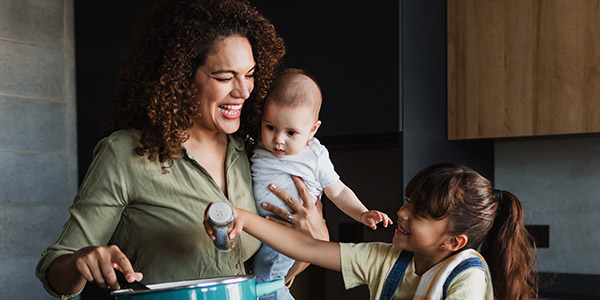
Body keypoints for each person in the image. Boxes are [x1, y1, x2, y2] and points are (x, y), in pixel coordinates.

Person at [35, 0, 328, 299]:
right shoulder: (125, 154)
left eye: (250, 74)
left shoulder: (255, 152)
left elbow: (265, 269)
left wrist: (310, 245)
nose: (244, 91)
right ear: (181, 76)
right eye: (225, 77)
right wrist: (81, 261)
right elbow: (56, 272)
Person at [206, 163, 539, 300]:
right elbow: (305, 248)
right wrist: (246, 219)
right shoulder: (387, 260)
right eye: (408, 202)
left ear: (453, 242)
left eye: (419, 212)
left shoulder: (467, 277)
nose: (402, 212)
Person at [250, 68, 393, 299]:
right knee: (267, 284)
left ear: (312, 130)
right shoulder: (259, 146)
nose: (278, 139)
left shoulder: (314, 156)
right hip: (266, 229)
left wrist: (362, 213)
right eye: (270, 127)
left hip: (291, 232)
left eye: (291, 132)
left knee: (266, 283)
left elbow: (338, 191)